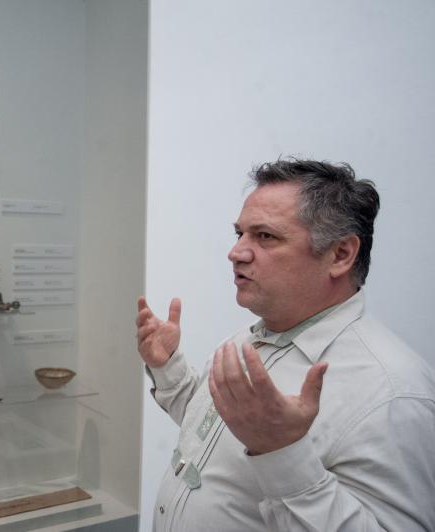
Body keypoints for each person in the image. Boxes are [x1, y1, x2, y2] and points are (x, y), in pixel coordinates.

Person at [136, 158, 435, 531]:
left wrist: (282, 453)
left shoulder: (394, 393)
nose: (236, 252)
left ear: (340, 254)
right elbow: (215, 434)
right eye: (239, 234)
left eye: (265, 236)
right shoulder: (248, 340)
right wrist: (168, 368)